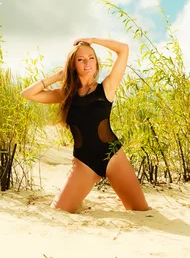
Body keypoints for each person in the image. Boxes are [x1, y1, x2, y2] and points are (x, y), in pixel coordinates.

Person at [21, 37, 149, 213]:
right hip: (84, 163)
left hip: (113, 156)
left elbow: (123, 49)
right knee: (59, 211)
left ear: (96, 62)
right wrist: (57, 77)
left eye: (91, 57)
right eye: (80, 59)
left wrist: (93, 40)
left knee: (140, 210)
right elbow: (27, 94)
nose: (87, 63)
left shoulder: (107, 87)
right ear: (73, 65)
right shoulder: (66, 95)